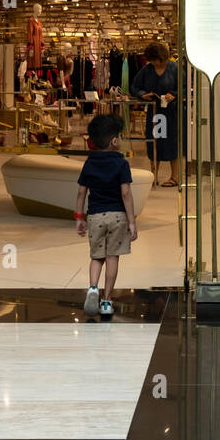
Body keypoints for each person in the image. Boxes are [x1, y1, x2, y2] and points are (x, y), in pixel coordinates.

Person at [74, 114, 138, 317]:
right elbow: (126, 193)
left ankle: (93, 288)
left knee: (96, 257)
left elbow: (81, 192)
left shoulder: (89, 163)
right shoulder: (121, 164)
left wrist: (79, 217)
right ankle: (107, 300)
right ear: (114, 141)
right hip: (117, 216)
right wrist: (132, 221)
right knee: (112, 258)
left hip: (95, 216)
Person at [130, 42, 180, 187]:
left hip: (171, 112)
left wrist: (174, 94)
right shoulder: (147, 70)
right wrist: (143, 94)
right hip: (154, 111)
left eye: (157, 61)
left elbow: (183, 86)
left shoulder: (174, 68)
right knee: (154, 142)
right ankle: (153, 175)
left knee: (172, 142)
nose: (155, 64)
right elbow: (135, 87)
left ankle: (175, 177)